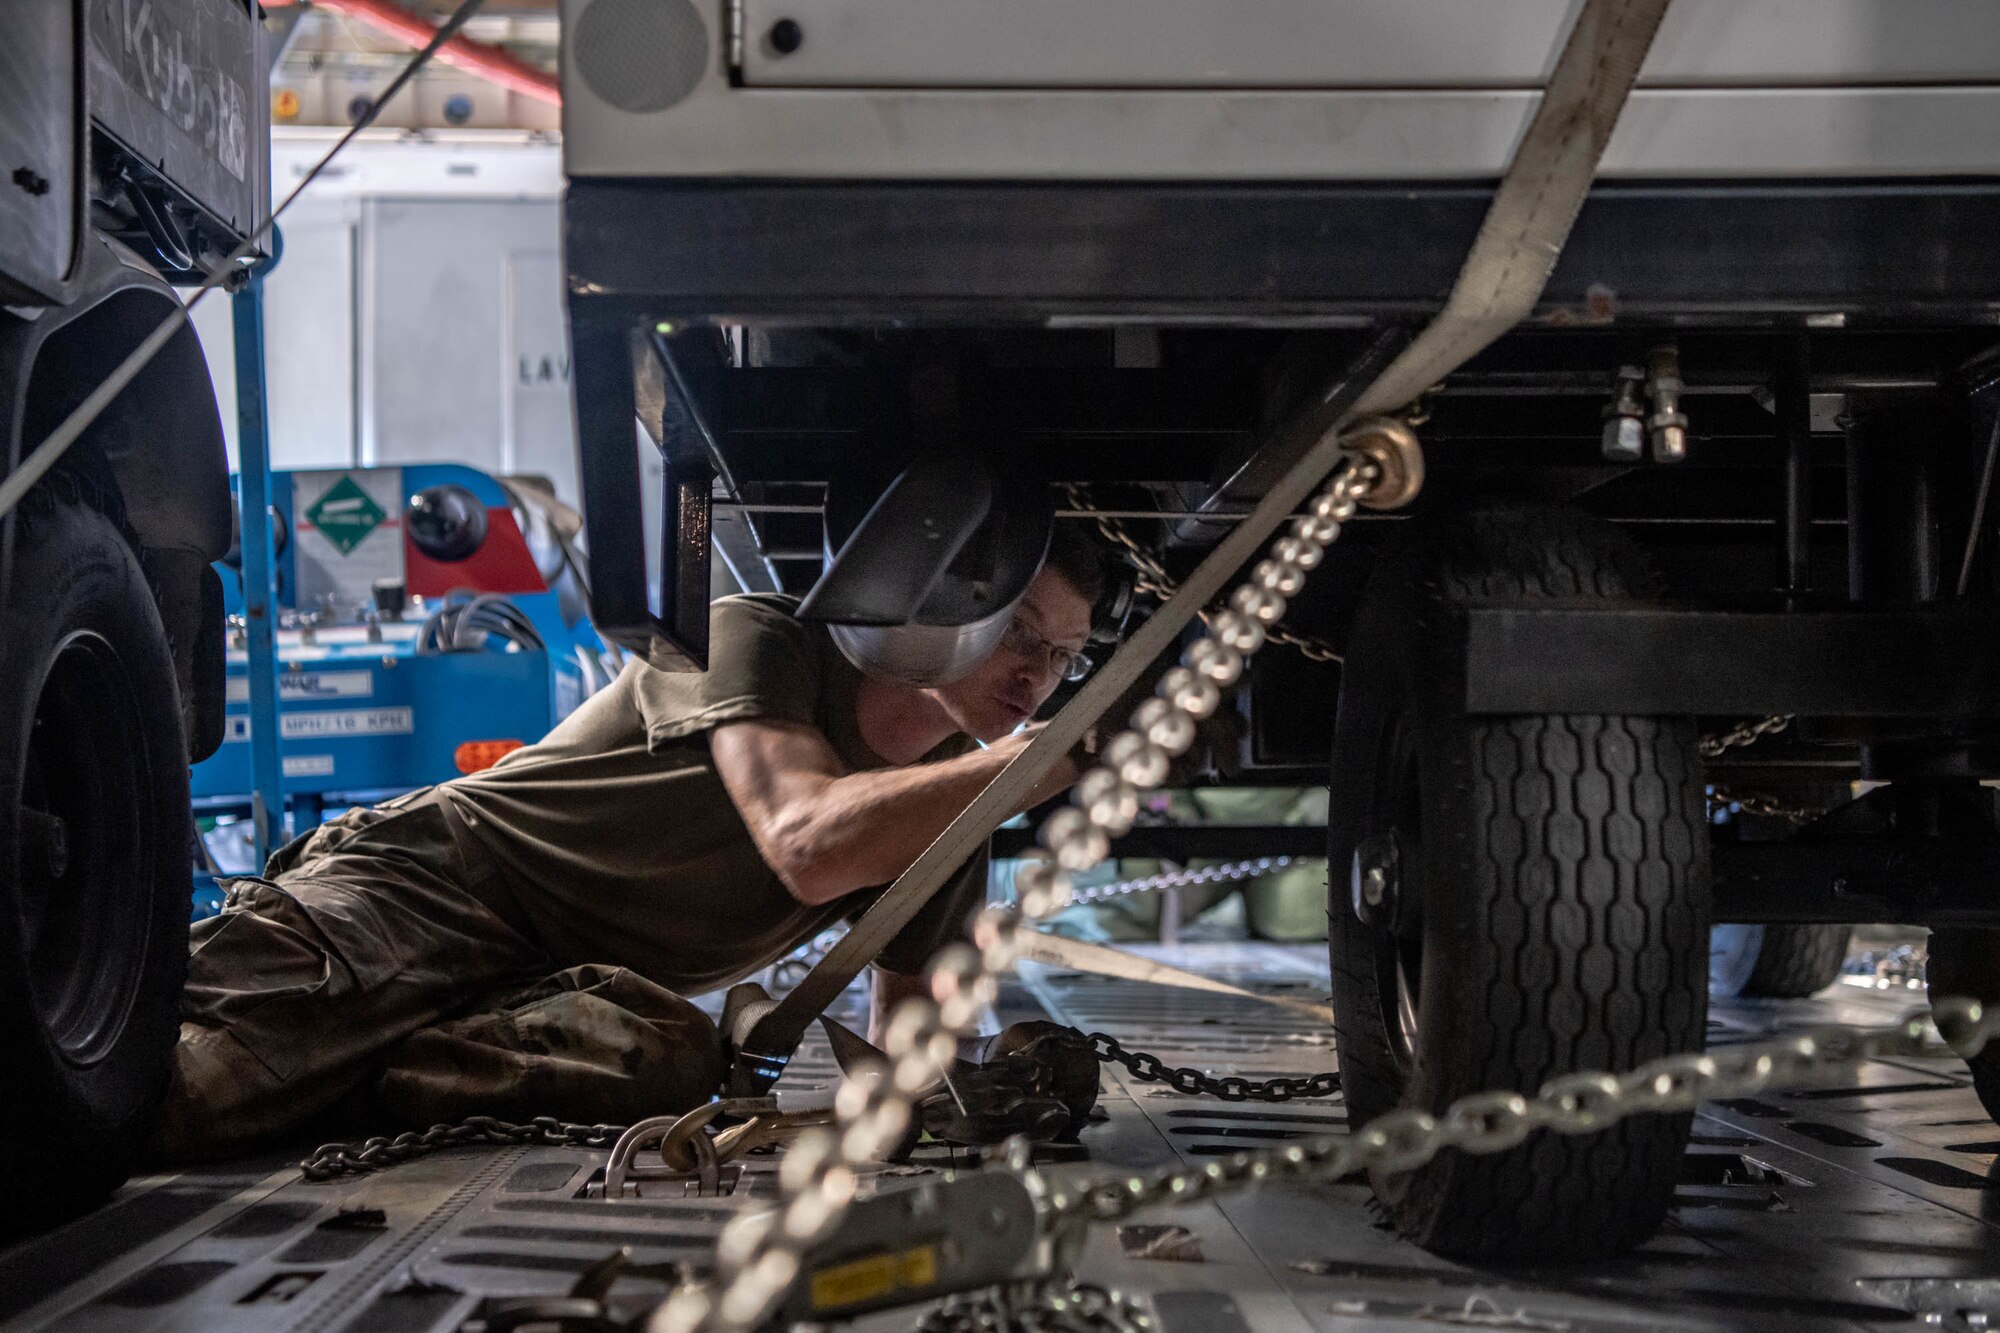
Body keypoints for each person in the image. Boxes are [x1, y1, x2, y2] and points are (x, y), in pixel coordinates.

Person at [154, 529, 1105, 1158]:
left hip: (544, 993)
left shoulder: (945, 813)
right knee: (158, 1091)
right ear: (944, 601)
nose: (1038, 677)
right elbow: (805, 838)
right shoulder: (755, 636)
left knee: (675, 1063)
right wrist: (1063, 753)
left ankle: (347, 1073)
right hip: (432, 889)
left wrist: (986, 1092)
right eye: (1021, 631)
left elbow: (917, 1043)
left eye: (1068, 658)